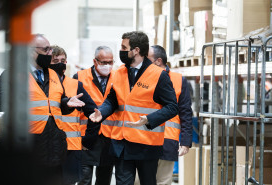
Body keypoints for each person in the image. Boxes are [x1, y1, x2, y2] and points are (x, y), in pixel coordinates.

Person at [0, 34, 86, 185]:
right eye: (46, 49)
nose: (50, 52)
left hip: (53, 148)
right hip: (27, 148)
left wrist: (67, 103)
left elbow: (54, 105)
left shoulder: (53, 74)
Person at [86, 31, 179, 185]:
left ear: (136, 50)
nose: (121, 50)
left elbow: (172, 107)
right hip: (122, 144)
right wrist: (101, 112)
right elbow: (112, 100)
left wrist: (149, 119)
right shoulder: (118, 73)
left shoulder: (158, 75)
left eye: (124, 47)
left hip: (147, 145)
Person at [49, 45, 99, 185]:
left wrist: (88, 140)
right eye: (55, 60)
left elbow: (94, 114)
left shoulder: (75, 85)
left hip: (70, 148)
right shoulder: (43, 85)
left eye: (63, 60)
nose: (60, 63)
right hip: (48, 146)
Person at [148, 45, 193, 185]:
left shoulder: (178, 80)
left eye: (146, 58)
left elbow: (185, 112)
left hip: (167, 140)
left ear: (158, 61)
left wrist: (185, 141)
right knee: (138, 181)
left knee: (163, 181)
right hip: (143, 139)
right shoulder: (141, 79)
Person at [73, 46, 116, 185]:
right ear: (95, 61)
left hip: (109, 137)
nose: (107, 66)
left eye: (110, 62)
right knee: (84, 179)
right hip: (86, 137)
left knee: (104, 180)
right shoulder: (80, 77)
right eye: (104, 62)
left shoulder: (118, 78)